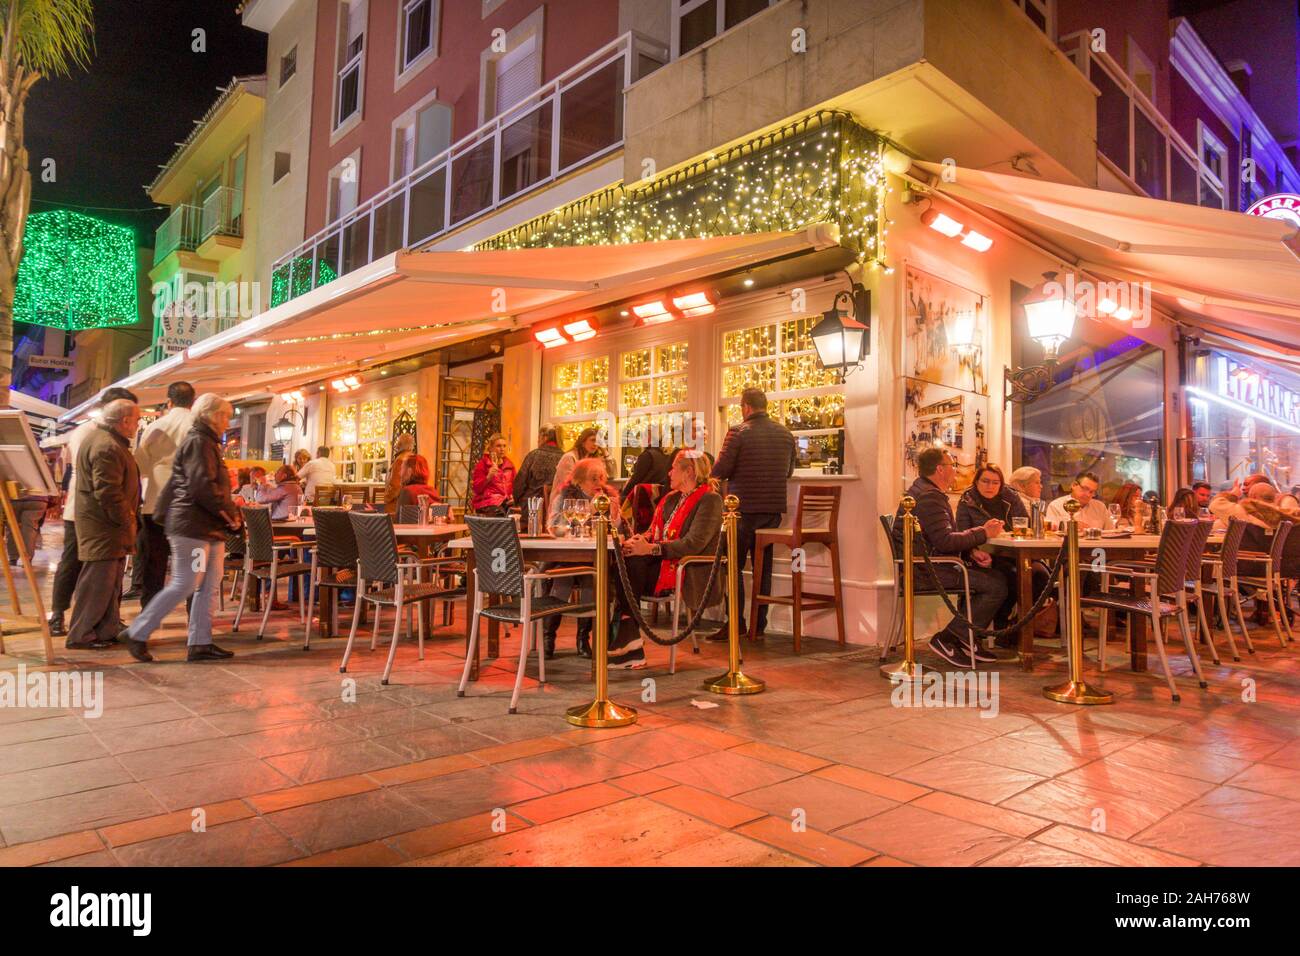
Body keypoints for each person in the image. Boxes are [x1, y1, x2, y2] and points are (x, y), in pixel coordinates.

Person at [119, 394, 241, 663]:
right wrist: (230, 514)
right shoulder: (200, 441)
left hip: (207, 528)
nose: (227, 421)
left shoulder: (207, 441)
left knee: (208, 584)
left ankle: (200, 642)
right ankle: (138, 631)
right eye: (225, 415)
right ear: (210, 415)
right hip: (194, 528)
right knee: (187, 581)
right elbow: (202, 486)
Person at [895, 447, 1006, 668]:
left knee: (994, 577)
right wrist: (983, 532)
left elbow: (937, 538)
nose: (955, 470)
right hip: (927, 571)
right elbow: (944, 541)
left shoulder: (922, 491)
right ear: (940, 469)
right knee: (997, 584)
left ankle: (963, 639)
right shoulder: (929, 498)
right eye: (951, 466)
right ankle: (948, 638)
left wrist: (971, 552)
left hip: (926, 565)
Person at [613, 450, 724, 669]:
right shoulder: (671, 499)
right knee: (621, 559)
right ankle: (628, 640)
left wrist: (650, 549)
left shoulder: (710, 500)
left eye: (674, 468)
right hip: (661, 563)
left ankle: (625, 637)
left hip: (686, 568)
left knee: (631, 565)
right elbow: (653, 533)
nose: (669, 472)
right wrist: (637, 542)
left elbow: (693, 543)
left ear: (689, 472)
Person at [47, 386, 138, 637]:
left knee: (100, 569)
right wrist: (124, 517)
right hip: (88, 512)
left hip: (91, 509)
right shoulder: (94, 435)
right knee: (82, 566)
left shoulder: (101, 435)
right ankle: (65, 617)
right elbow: (103, 484)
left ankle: (105, 620)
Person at [709, 388, 796, 640]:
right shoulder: (785, 433)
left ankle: (735, 623)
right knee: (763, 568)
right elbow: (789, 471)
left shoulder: (737, 432)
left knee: (732, 566)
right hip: (772, 512)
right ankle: (759, 624)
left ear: (746, 407)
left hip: (742, 511)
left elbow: (720, 469)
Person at [544, 457, 623, 657]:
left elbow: (616, 528)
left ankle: (582, 638)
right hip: (566, 555)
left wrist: (611, 512)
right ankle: (548, 636)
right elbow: (553, 526)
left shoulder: (607, 498)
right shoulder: (565, 497)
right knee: (563, 578)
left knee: (592, 579)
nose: (599, 483)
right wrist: (589, 511)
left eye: (602, 478)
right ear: (578, 481)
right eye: (593, 479)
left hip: (594, 556)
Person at [132, 381, 195, 609]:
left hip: (155, 504)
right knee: (190, 567)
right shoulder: (199, 426)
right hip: (189, 508)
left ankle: (148, 616)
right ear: (193, 402)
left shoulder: (156, 426)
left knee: (154, 566)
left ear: (169, 401)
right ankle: (194, 624)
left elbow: (141, 466)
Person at [955, 463, 1031, 647]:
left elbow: (1025, 524)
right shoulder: (968, 499)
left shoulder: (1010, 496)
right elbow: (961, 533)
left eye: (995, 482)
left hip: (1013, 552)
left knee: (1039, 576)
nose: (990, 486)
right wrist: (973, 551)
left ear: (1001, 483)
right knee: (1009, 575)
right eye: (985, 481)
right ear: (976, 482)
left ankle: (1011, 626)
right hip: (981, 554)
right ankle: (1000, 627)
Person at [551, 427, 607, 506]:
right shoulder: (569, 457)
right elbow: (570, 486)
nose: (595, 444)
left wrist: (605, 451)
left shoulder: (592, 460)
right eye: (592, 440)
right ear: (583, 441)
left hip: (584, 502)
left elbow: (610, 475)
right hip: (565, 504)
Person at [1045, 471, 1112, 531]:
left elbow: (1110, 532)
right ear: (1074, 485)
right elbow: (1050, 534)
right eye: (1085, 489)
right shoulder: (1056, 506)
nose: (1088, 494)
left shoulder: (1100, 507)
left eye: (1092, 492)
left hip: (1096, 544)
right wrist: (1070, 527)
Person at [512, 425, 563, 504]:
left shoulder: (534, 455)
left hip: (533, 505)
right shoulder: (564, 457)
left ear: (544, 437)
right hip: (556, 505)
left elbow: (520, 483)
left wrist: (517, 501)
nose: (537, 440)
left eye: (538, 437)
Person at [470, 433, 515, 515]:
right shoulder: (483, 464)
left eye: (504, 446)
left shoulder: (510, 465)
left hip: (506, 501)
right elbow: (476, 489)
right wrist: (488, 477)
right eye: (498, 446)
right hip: (488, 501)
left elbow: (516, 485)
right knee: (499, 514)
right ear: (490, 448)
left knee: (519, 513)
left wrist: (514, 497)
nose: (502, 449)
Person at [385, 434, 416, 515]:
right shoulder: (415, 458)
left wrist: (386, 498)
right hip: (409, 505)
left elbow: (395, 486)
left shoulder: (400, 460)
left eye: (397, 442)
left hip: (395, 506)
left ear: (400, 445)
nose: (396, 445)